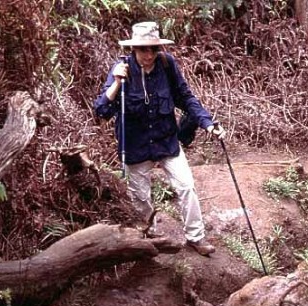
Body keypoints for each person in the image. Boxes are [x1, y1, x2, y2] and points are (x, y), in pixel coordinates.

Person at [94, 21, 225, 256]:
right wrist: (116, 83)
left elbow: (185, 97)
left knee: (187, 187)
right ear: (133, 49)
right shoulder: (121, 69)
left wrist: (207, 123)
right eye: (143, 49)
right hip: (136, 146)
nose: (149, 54)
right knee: (140, 199)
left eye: (153, 49)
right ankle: (149, 237)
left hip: (166, 141)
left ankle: (195, 237)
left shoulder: (166, 64)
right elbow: (102, 110)